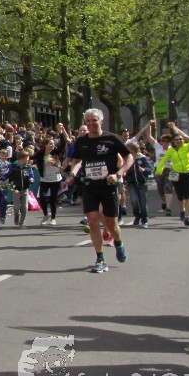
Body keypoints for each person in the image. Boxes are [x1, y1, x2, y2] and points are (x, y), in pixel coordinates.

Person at [65, 109, 131, 273]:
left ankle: (118, 242)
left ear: (101, 121)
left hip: (108, 185)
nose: (91, 123)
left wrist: (118, 174)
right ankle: (100, 258)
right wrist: (73, 173)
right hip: (89, 185)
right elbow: (77, 161)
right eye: (88, 121)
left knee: (111, 223)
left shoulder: (111, 139)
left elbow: (129, 158)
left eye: (94, 120)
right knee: (93, 219)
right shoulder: (81, 141)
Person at [34, 137, 64, 225]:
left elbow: (62, 145)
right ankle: (46, 215)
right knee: (42, 198)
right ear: (45, 145)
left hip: (56, 178)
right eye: (50, 144)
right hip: (45, 179)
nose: (52, 145)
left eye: (53, 144)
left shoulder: (56, 152)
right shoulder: (41, 153)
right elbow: (32, 157)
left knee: (53, 199)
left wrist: (62, 133)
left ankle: (53, 218)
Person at [124, 141, 154, 229]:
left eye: (128, 149)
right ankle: (137, 216)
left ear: (133, 149)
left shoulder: (142, 158)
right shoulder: (128, 159)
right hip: (132, 184)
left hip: (142, 183)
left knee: (143, 202)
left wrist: (144, 169)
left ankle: (144, 220)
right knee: (134, 201)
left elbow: (151, 169)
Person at [5, 149, 36, 228]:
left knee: (25, 208)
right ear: (21, 159)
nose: (28, 159)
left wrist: (31, 179)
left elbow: (31, 175)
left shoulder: (28, 167)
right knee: (16, 207)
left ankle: (21, 223)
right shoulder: (14, 167)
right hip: (16, 190)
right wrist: (2, 179)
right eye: (27, 158)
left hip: (25, 189)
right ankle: (16, 215)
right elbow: (7, 174)